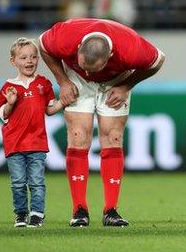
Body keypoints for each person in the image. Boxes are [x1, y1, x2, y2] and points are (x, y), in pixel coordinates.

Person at [39, 18, 165, 227]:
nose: (89, 73)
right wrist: (62, 81)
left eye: (94, 69)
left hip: (115, 81)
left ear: (110, 57)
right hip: (75, 79)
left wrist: (126, 86)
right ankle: (79, 209)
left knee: (113, 136)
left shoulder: (130, 48)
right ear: (78, 48)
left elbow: (158, 60)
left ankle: (111, 210)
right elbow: (43, 45)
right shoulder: (66, 36)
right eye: (85, 66)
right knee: (78, 135)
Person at [0, 38, 63, 228]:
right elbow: (3, 115)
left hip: (37, 142)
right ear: (13, 61)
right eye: (24, 57)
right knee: (17, 183)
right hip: (15, 143)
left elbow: (49, 109)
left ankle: (37, 214)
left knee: (37, 182)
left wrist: (64, 101)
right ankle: (21, 214)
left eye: (33, 56)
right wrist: (10, 103)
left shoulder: (43, 83)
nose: (29, 61)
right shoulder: (9, 87)